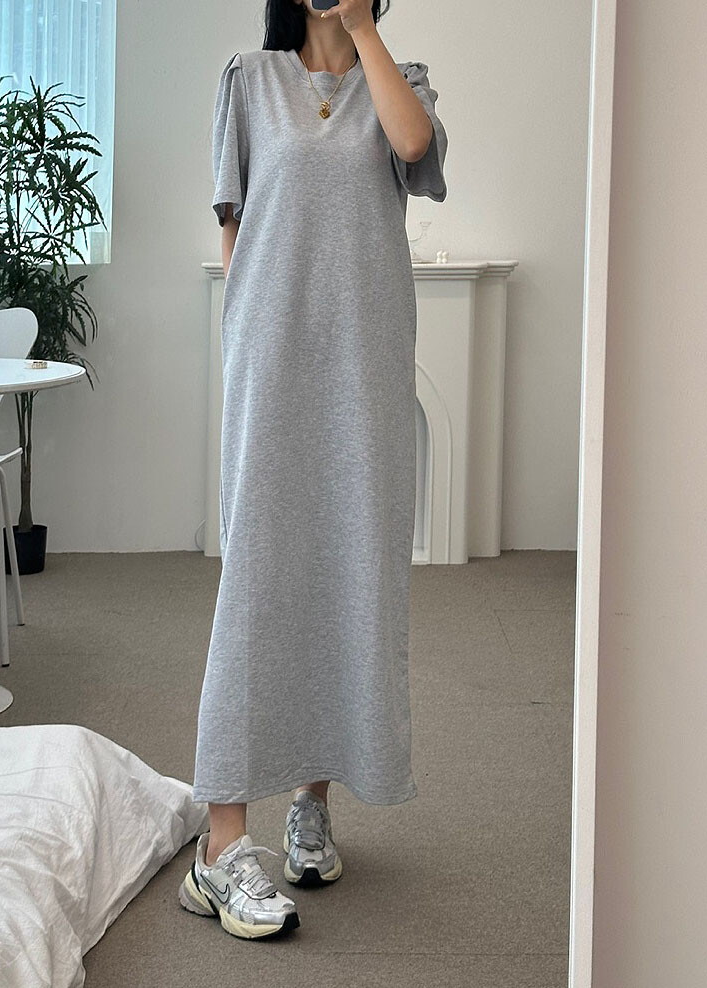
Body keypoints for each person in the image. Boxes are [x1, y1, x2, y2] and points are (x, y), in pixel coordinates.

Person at [178, 0, 448, 940]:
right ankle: (219, 843)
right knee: (258, 579)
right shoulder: (249, 81)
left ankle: (310, 803)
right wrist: (249, 337)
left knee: (347, 570)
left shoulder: (400, 84)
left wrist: (365, 31)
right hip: (273, 352)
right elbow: (235, 225)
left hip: (365, 360)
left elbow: (412, 147)